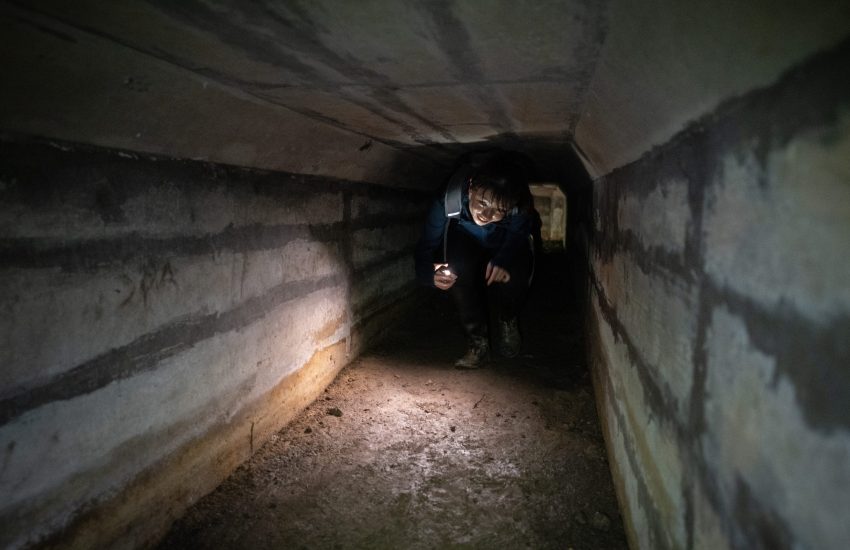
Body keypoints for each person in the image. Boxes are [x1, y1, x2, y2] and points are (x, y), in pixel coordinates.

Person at [415, 152, 538, 369]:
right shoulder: (448, 199)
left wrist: (502, 260)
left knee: (515, 275)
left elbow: (518, 238)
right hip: (467, 239)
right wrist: (429, 275)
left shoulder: (519, 207)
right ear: (471, 188)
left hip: (504, 243)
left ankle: (508, 317)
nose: (486, 214)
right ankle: (477, 343)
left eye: (499, 210)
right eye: (482, 202)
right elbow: (426, 247)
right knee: (457, 270)